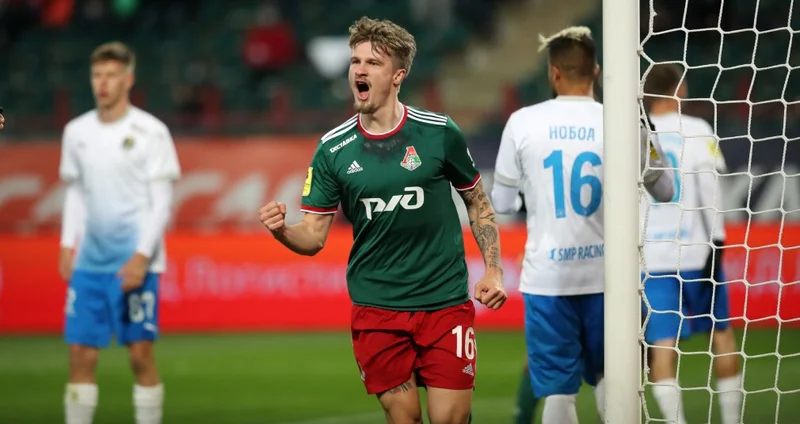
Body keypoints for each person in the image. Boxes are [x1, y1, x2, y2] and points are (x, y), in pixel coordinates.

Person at [259, 16, 507, 424]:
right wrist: (282, 230)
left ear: (397, 76)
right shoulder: (333, 149)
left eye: (373, 63)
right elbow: (313, 237)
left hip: (444, 304)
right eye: (355, 61)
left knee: (451, 418)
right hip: (377, 311)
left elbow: (478, 204)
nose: (360, 69)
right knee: (404, 416)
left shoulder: (438, 132)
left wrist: (493, 270)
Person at [490, 26, 674, 424]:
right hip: (612, 280)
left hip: (548, 279)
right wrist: (648, 133)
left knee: (558, 391)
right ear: (596, 71)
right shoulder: (623, 121)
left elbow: (502, 205)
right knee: (614, 379)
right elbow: (666, 190)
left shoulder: (522, 122)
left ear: (553, 72)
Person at [59, 42, 181, 424]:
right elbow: (76, 191)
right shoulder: (76, 131)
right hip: (90, 262)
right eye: (97, 75)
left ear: (128, 80)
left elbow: (161, 201)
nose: (103, 83)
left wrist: (142, 256)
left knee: (140, 355)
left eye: (111, 75)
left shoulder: (151, 131)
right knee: (80, 355)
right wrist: (66, 245)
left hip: (135, 263)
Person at [641, 63, 741, 424]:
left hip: (653, 257)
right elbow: (708, 190)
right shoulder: (698, 129)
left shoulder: (635, 133)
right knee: (721, 335)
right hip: (698, 253)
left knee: (663, 346)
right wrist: (718, 242)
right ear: (679, 89)